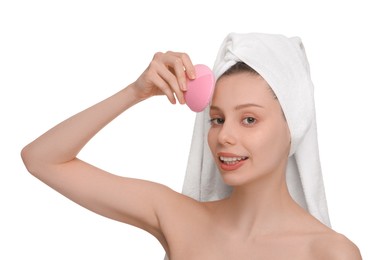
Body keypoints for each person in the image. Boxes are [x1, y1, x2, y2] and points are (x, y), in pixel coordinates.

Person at [21, 32, 361, 259]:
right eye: (217, 118)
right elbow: (42, 159)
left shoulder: (328, 252)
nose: (224, 136)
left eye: (249, 120)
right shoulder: (176, 216)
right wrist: (135, 91)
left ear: (294, 125)